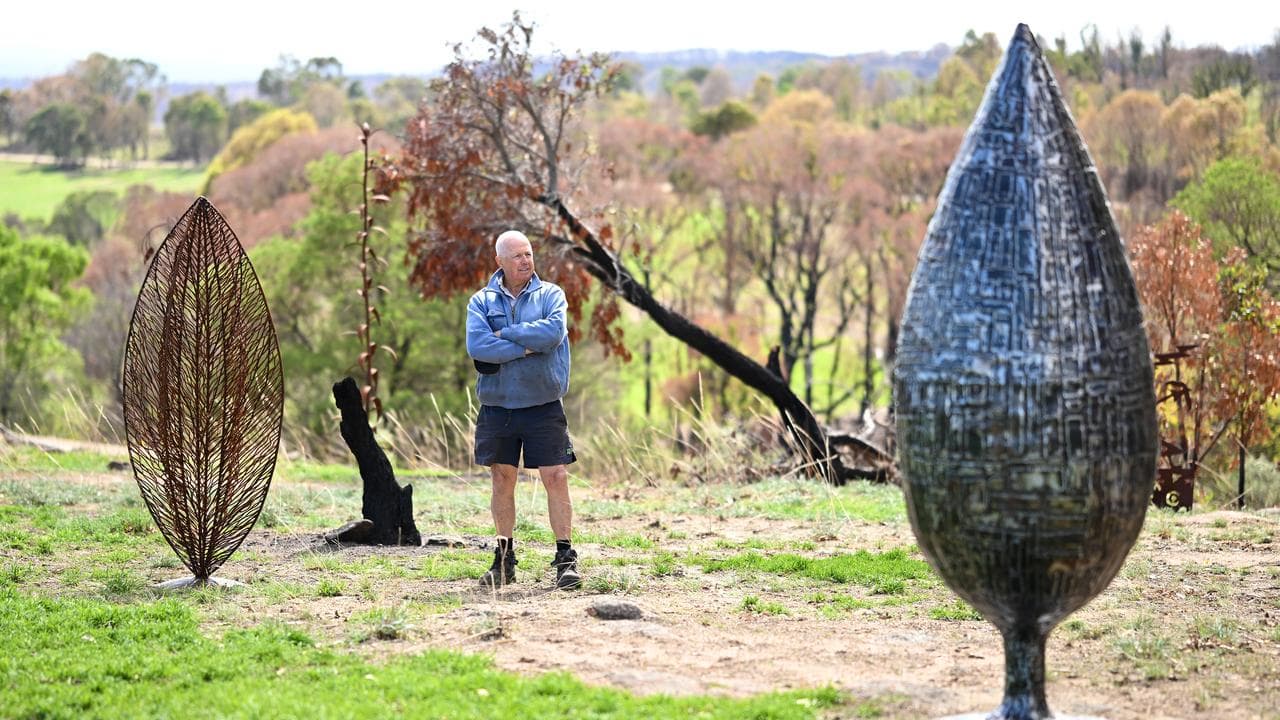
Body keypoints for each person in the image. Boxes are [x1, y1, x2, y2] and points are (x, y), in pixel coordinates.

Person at [466, 229, 581, 590]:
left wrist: (505, 336)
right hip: (499, 407)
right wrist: (525, 347)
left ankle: (565, 558)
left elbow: (553, 333)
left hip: (544, 404)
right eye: (516, 256)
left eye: (528, 254)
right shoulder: (480, 302)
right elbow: (478, 346)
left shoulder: (551, 295)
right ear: (499, 261)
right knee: (502, 478)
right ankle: (504, 560)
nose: (525, 261)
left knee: (556, 477)